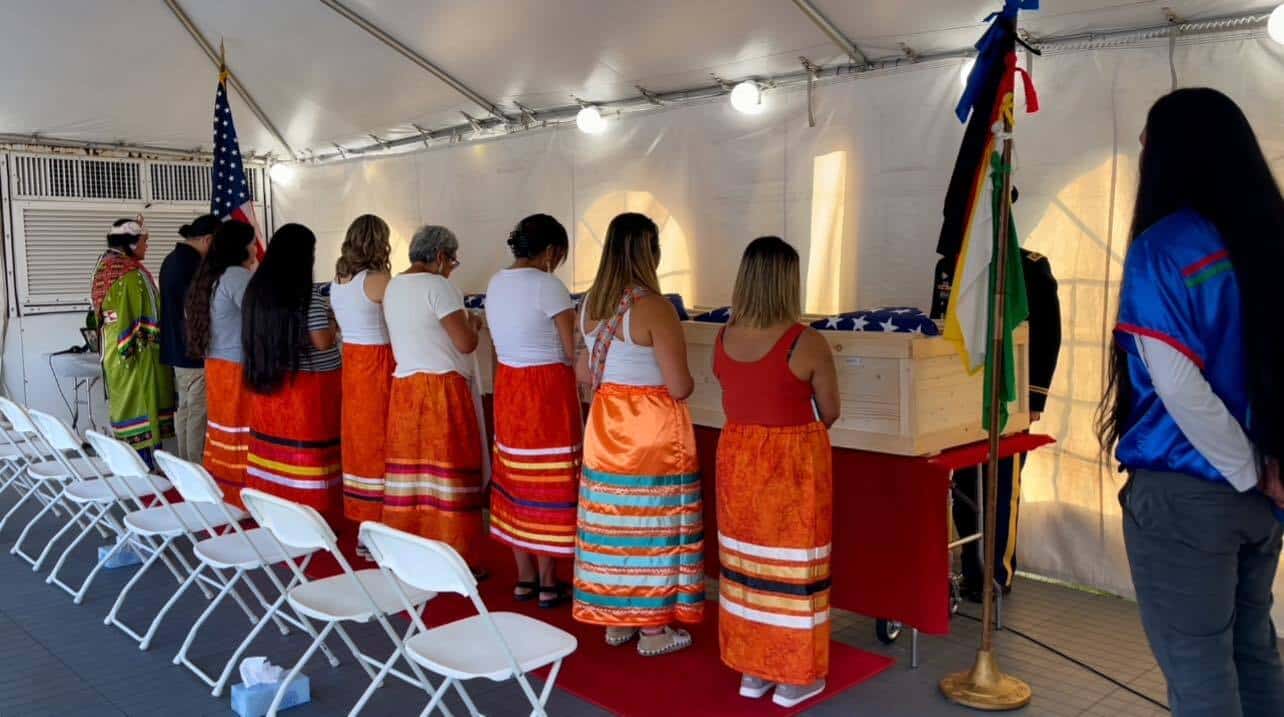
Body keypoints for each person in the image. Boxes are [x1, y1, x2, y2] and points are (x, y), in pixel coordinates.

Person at [1097, 88, 1284, 717]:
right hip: (1263, 496)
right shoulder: (1267, 236)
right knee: (1253, 649)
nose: (1142, 152)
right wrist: (1267, 466)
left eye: (1147, 140)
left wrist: (1242, 470)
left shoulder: (1165, 247)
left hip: (1193, 493)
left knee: (1200, 667)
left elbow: (1177, 387)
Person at [714, 236, 839, 708]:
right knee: (794, 569)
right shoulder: (805, 342)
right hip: (792, 465)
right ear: (789, 280)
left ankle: (753, 669)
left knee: (748, 566)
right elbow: (830, 410)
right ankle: (794, 675)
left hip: (737, 460)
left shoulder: (724, 337)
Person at [572, 212, 704, 657]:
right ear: (651, 251)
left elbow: (582, 372)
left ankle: (616, 620)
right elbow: (680, 385)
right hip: (650, 426)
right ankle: (653, 630)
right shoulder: (654, 307)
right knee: (654, 522)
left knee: (612, 521)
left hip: (605, 423)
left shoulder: (589, 303)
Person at [931, 186, 1063, 601]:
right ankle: (970, 569)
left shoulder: (1029, 268)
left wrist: (1034, 398)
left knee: (1001, 487)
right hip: (961, 398)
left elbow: (1047, 338)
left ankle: (994, 574)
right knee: (966, 486)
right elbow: (941, 332)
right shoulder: (954, 270)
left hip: (1008, 397)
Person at [484, 214, 580, 608]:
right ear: (552, 250)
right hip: (546, 392)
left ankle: (524, 578)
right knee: (548, 481)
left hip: (509, 385)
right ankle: (547, 579)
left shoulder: (495, 282)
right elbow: (572, 349)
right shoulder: (549, 287)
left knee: (514, 481)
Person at [382, 225, 487, 573]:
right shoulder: (439, 287)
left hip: (405, 390)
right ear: (441, 257)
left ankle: (410, 550)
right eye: (452, 262)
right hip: (442, 389)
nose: (452, 268)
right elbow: (465, 344)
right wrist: (473, 323)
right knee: (448, 478)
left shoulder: (394, 285)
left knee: (411, 479)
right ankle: (456, 557)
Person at [241, 224, 343, 522]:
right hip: (311, 389)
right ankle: (314, 516)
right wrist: (334, 326)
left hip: (271, 382)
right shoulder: (304, 295)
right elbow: (322, 341)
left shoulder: (256, 291)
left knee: (276, 451)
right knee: (311, 454)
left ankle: (276, 506)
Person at [91, 218, 175, 467]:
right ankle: (146, 470)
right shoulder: (133, 275)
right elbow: (150, 317)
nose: (147, 247)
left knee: (124, 405)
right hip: (137, 355)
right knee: (142, 406)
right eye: (144, 242)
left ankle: (131, 466)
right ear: (131, 243)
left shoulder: (103, 267)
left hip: (113, 350)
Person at [184, 220, 257, 506]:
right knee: (241, 433)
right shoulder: (236, 276)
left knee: (223, 431)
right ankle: (241, 493)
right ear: (241, 247)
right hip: (237, 368)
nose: (255, 248)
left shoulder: (209, 275)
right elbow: (261, 315)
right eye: (252, 242)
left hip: (216, 366)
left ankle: (223, 487)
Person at [331, 215, 394, 524]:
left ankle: (362, 513)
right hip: (379, 362)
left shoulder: (338, 281)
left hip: (353, 364)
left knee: (359, 440)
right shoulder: (378, 280)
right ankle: (385, 516)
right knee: (383, 439)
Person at [160, 214, 218, 463]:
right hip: (194, 351)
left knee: (184, 410)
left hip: (176, 349)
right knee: (198, 414)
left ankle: (184, 465)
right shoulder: (194, 265)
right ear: (207, 240)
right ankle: (197, 468)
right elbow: (199, 310)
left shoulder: (171, 260)